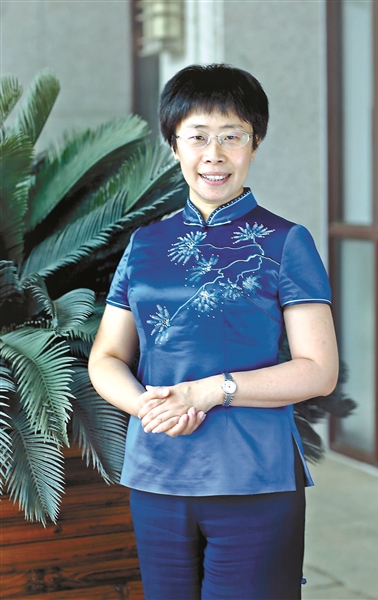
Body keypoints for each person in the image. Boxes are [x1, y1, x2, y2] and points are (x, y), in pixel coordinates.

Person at [88, 63, 338, 600]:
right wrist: (147, 408)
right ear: (174, 145)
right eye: (197, 137)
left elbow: (318, 371)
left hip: (254, 477)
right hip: (157, 474)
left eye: (232, 136)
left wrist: (209, 391)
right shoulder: (144, 244)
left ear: (255, 142)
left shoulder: (286, 241)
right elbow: (106, 356)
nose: (214, 155)